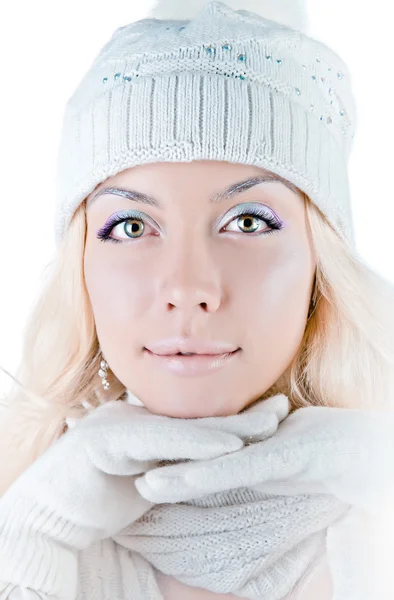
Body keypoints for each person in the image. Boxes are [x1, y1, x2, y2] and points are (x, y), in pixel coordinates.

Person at [0, 0, 394, 598]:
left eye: (249, 222)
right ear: (80, 269)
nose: (188, 287)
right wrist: (29, 544)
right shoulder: (28, 523)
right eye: (131, 226)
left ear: (320, 262)